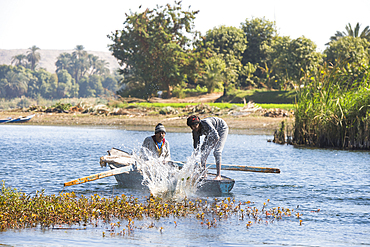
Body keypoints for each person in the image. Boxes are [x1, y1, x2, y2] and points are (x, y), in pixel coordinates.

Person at [186, 115, 229, 180]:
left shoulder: (206, 123)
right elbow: (196, 147)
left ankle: (218, 176)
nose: (194, 128)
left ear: (199, 124)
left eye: (195, 126)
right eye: (191, 127)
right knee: (203, 150)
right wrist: (193, 160)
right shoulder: (194, 132)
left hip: (221, 128)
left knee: (217, 151)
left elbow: (216, 137)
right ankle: (204, 173)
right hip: (211, 133)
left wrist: (209, 149)